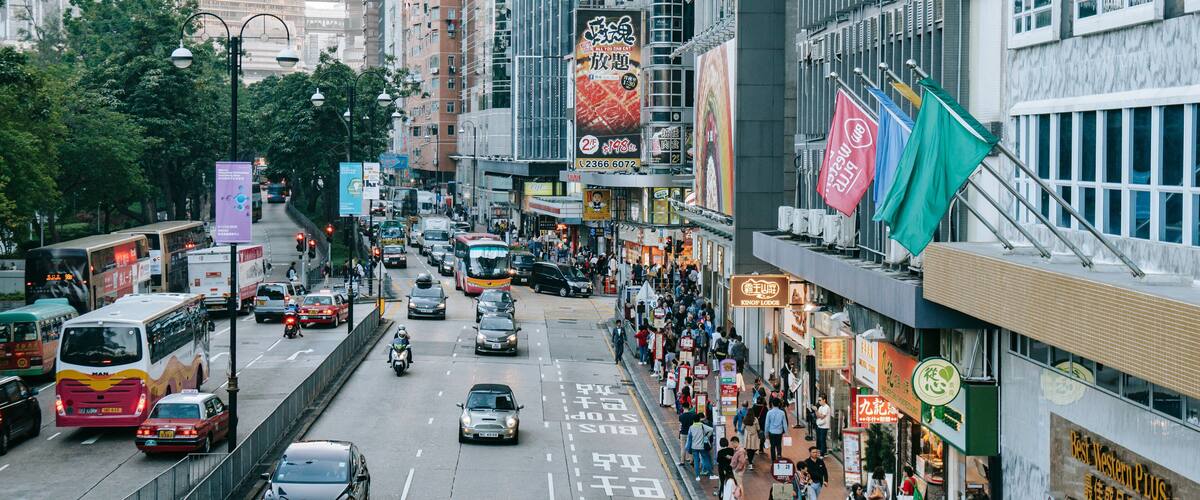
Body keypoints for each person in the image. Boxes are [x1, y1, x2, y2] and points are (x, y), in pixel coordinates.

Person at [686, 414, 714, 481]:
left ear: (693, 420)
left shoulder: (691, 427)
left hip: (694, 447)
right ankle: (711, 474)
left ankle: (697, 476)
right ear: (699, 419)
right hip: (702, 446)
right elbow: (712, 430)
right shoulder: (702, 426)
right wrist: (706, 436)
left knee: (696, 461)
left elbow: (689, 437)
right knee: (706, 460)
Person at [741, 402, 761, 470]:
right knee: (753, 449)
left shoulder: (745, 419)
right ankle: (751, 461)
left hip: (747, 437)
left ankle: (750, 462)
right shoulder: (755, 419)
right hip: (754, 436)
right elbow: (758, 428)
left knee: (748, 449)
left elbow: (741, 428)